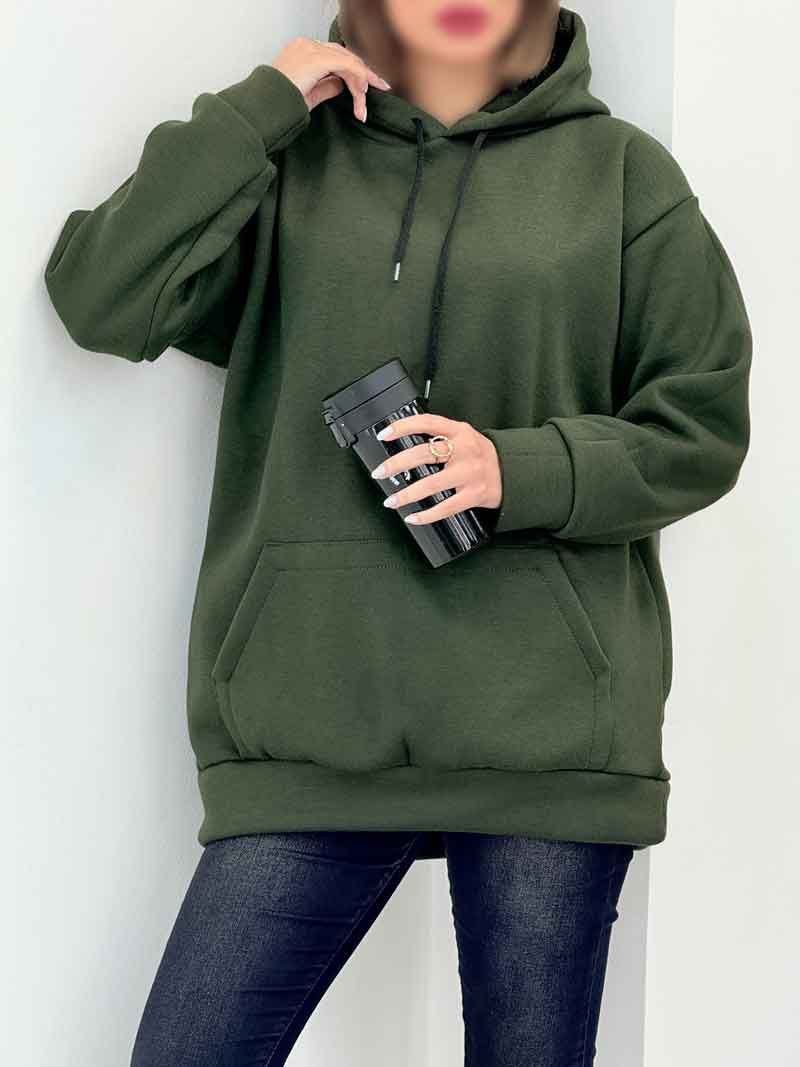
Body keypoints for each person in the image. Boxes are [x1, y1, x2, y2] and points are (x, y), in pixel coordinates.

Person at [43, 2, 752, 1063]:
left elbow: (701, 425)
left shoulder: (622, 176)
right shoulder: (291, 161)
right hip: (309, 718)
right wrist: (260, 107)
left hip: (545, 729)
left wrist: (518, 468)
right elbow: (102, 299)